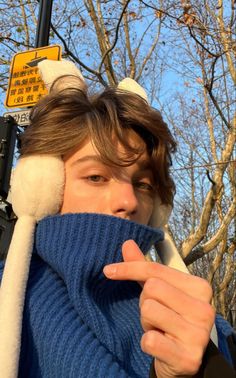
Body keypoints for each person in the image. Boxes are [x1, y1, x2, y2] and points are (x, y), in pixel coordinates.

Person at [0, 61, 234, 378]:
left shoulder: (208, 326)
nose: (129, 201)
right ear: (44, 188)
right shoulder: (8, 300)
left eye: (144, 185)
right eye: (96, 177)